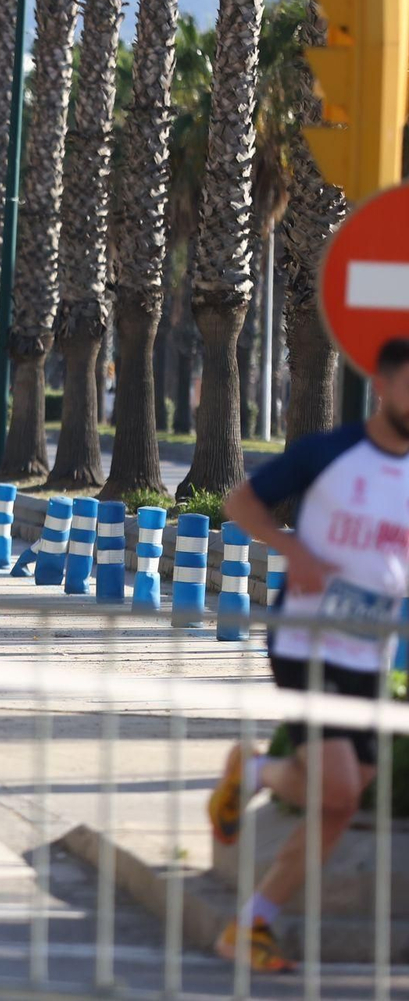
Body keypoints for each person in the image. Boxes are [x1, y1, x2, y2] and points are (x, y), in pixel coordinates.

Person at [205, 337, 409, 973]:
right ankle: (251, 926)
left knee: (347, 797)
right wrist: (293, 552)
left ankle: (257, 774)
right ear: (383, 385)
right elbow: (239, 503)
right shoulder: (329, 453)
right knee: (342, 794)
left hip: (370, 651)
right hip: (306, 640)